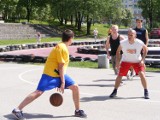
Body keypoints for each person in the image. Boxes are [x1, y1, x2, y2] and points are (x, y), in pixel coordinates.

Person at [12, 29, 87, 120]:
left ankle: (78, 110)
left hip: (58, 74)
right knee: (38, 92)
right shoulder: (62, 48)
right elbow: (60, 66)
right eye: (73, 38)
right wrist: (62, 82)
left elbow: (61, 68)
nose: (73, 39)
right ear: (70, 38)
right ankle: (17, 110)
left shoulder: (62, 47)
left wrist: (61, 80)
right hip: (50, 75)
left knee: (75, 87)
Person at [109, 28, 149, 99]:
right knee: (119, 75)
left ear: (135, 36)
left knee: (142, 75)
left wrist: (142, 60)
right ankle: (114, 91)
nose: (129, 36)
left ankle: (146, 91)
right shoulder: (123, 42)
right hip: (126, 61)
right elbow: (118, 51)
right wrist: (118, 62)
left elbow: (146, 49)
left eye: (131, 35)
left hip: (137, 61)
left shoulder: (139, 42)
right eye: (128, 35)